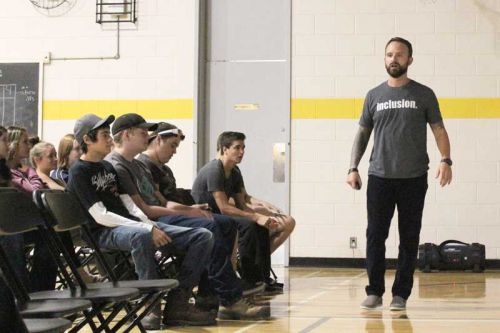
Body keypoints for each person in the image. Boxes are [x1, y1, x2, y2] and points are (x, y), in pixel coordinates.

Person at [106, 114, 267, 320]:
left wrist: (190, 209)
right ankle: (227, 298)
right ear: (127, 135)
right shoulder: (119, 166)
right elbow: (145, 210)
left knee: (225, 224)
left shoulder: (137, 166)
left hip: (160, 215)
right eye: (143, 132)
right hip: (148, 223)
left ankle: (209, 296)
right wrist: (181, 211)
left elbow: (163, 201)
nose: (147, 136)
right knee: (211, 229)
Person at [66, 113, 215, 328]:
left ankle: (178, 302)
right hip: (103, 232)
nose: (109, 138)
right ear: (87, 140)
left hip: (130, 226)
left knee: (203, 236)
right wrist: (145, 227)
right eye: (103, 134)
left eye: (109, 133)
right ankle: (149, 306)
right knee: (141, 235)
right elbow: (100, 215)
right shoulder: (78, 172)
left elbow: (130, 205)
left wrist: (150, 223)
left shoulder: (107, 168)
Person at [346, 37, 452, 311]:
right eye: (389, 54)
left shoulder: (424, 94)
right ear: (385, 59)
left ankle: (400, 295)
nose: (394, 59)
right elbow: (362, 133)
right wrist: (352, 167)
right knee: (375, 236)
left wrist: (446, 160)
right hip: (379, 177)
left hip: (414, 179)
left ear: (410, 60)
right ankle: (374, 291)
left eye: (400, 55)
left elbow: (439, 130)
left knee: (409, 237)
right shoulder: (374, 96)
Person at [192, 131, 279, 291]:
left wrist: (259, 217)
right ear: (225, 149)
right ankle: (247, 278)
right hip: (207, 216)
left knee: (259, 226)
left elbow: (242, 204)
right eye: (237, 148)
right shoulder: (214, 170)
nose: (242, 152)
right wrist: (254, 217)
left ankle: (262, 278)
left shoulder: (235, 171)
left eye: (243, 148)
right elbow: (224, 208)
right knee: (248, 225)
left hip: (222, 214)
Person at [30, 140, 104, 283]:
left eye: (55, 155)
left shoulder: (55, 180)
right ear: (37, 160)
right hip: (61, 226)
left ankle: (82, 275)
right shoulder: (37, 180)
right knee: (60, 230)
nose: (56, 159)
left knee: (63, 230)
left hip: (71, 223)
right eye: (51, 156)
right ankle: (80, 274)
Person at [5, 126, 58, 292]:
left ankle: (41, 290)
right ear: (12, 145)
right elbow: (34, 191)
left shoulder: (24, 170)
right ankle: (23, 293)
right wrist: (32, 174)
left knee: (53, 230)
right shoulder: (9, 172)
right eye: (25, 142)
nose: (29, 146)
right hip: (11, 226)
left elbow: (35, 190)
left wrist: (31, 174)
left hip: (23, 223)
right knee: (12, 238)